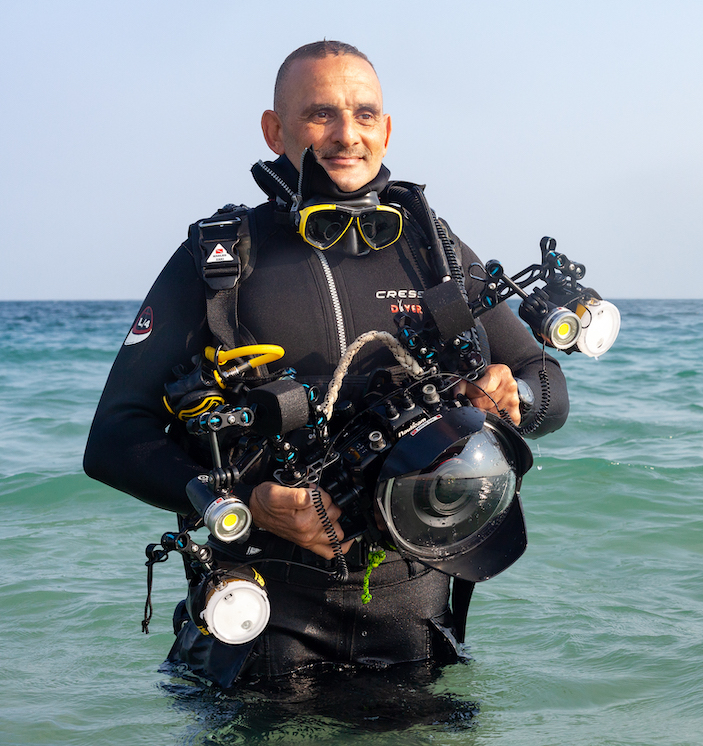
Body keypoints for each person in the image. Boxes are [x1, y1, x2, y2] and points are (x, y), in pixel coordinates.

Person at [83, 40, 570, 686]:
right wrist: (249, 499)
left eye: (365, 114)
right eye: (320, 115)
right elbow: (114, 438)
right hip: (261, 623)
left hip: (415, 619)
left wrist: (511, 400)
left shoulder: (432, 246)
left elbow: (546, 382)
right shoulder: (220, 260)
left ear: (387, 128)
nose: (347, 135)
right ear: (273, 128)